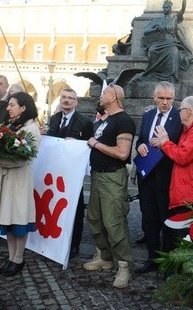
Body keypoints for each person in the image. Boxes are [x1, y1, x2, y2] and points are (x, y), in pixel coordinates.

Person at [83, 84, 136, 289]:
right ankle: (104, 257)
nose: (101, 94)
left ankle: (124, 266)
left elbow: (122, 153)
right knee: (94, 218)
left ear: (114, 96)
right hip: (97, 176)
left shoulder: (124, 120)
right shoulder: (106, 120)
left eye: (105, 92)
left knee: (114, 223)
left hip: (113, 178)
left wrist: (96, 144)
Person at [155, 96, 193, 251]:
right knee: (180, 237)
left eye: (180, 110)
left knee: (186, 241)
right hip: (188, 194)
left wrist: (165, 142)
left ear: (188, 112)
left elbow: (182, 156)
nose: (178, 114)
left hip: (192, 196)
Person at [0, 92, 41, 276]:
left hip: (18, 180)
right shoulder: (11, 126)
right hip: (5, 180)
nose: (8, 108)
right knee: (7, 220)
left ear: (23, 107)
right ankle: (10, 257)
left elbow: (23, 159)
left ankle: (19, 258)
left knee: (18, 221)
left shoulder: (31, 129)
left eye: (12, 105)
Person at [134, 81, 182, 274]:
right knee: (149, 220)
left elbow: (181, 147)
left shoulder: (180, 118)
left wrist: (165, 143)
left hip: (167, 177)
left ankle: (167, 262)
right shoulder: (147, 116)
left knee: (167, 222)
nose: (165, 102)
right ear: (154, 97)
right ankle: (152, 259)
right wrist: (140, 146)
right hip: (146, 177)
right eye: (161, 98)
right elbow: (140, 139)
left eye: (169, 98)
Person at [45, 88, 93, 258]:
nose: (66, 100)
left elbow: (89, 145)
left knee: (76, 208)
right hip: (55, 172)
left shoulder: (85, 122)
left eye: (70, 98)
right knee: (54, 204)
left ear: (76, 102)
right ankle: (54, 238)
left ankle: (74, 244)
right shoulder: (54, 119)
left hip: (73, 173)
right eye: (63, 97)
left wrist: (77, 144)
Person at [140, 0, 193, 82]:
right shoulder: (157, 20)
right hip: (159, 41)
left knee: (174, 51)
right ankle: (153, 73)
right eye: (164, 7)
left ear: (170, 8)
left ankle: (171, 76)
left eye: (167, 7)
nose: (165, 9)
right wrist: (155, 29)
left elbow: (183, 9)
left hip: (171, 42)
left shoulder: (174, 18)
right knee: (152, 49)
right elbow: (146, 31)